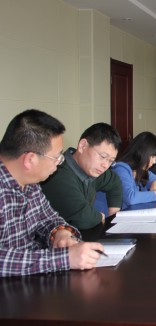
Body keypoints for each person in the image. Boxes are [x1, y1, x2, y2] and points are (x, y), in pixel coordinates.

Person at [0, 109, 104, 276]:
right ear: (30, 159)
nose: (59, 163)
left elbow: (48, 218)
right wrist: (64, 259)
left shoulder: (31, 183)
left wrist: (60, 233)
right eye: (56, 157)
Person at [41, 123, 122, 230]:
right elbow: (85, 219)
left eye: (110, 161)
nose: (105, 165)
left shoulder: (91, 170)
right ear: (83, 146)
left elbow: (114, 181)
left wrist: (113, 217)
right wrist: (99, 217)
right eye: (103, 157)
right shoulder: (57, 174)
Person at [108, 132, 156, 211]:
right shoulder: (120, 169)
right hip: (108, 217)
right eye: (152, 157)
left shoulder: (142, 171)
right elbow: (130, 198)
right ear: (142, 153)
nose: (154, 162)